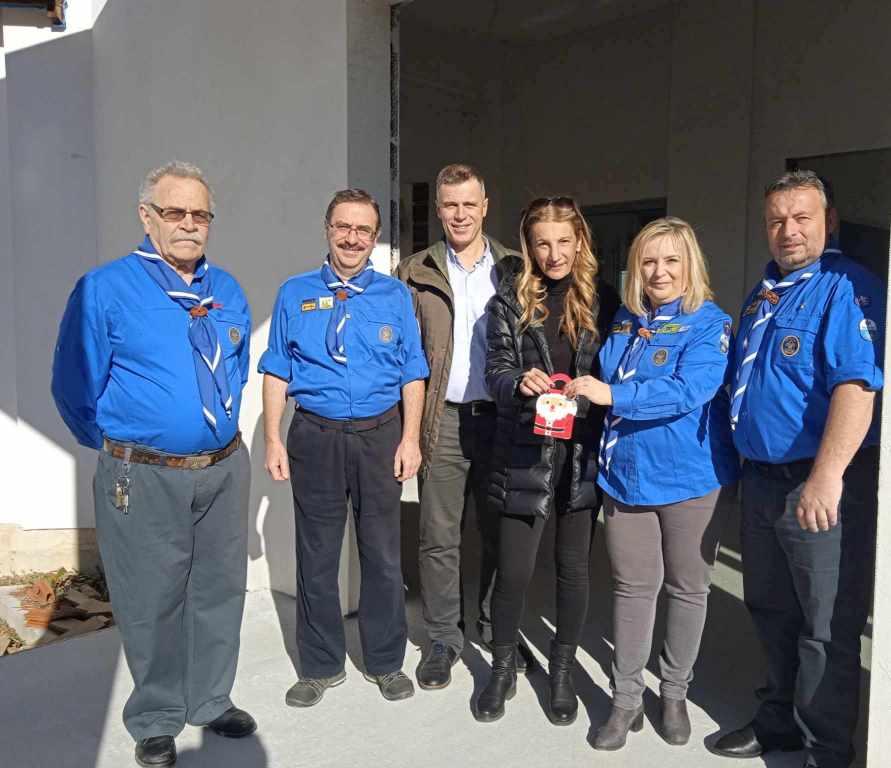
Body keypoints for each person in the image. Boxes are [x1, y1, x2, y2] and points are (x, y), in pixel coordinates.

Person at [52, 162, 256, 768]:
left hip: (223, 467)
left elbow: (234, 371)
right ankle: (157, 716)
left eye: (200, 214)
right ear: (147, 216)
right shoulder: (104, 289)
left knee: (219, 590)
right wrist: (129, 449)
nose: (189, 224)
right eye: (175, 212)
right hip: (143, 473)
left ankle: (211, 699)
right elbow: (73, 387)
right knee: (152, 597)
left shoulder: (227, 290)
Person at [712, 171, 883, 768]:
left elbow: (857, 388)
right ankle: (778, 722)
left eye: (802, 218)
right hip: (762, 482)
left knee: (825, 626)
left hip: (818, 484)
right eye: (776, 221)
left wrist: (826, 478)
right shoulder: (764, 295)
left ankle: (826, 751)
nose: (788, 231)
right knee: (771, 610)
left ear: (828, 221)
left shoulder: (847, 287)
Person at [565, 217, 739, 749]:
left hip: (691, 479)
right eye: (648, 261)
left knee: (687, 588)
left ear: (690, 266)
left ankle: (674, 692)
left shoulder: (710, 324)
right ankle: (625, 700)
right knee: (633, 588)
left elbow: (689, 390)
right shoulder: (625, 320)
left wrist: (613, 396)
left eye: (671, 261)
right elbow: (601, 372)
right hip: (626, 477)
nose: (659, 272)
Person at [260, 188, 429, 707]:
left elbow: (413, 372)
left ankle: (385, 661)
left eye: (363, 230)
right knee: (316, 555)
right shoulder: (294, 294)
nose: (352, 238)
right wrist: (273, 437)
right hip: (315, 436)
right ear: (327, 229)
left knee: (382, 554)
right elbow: (276, 369)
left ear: (374, 238)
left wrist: (410, 438)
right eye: (343, 227)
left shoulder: (395, 297)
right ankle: (320, 665)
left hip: (380, 436)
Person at [475, 196, 620, 724]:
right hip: (524, 451)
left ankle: (561, 673)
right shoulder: (509, 300)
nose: (554, 253)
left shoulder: (604, 300)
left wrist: (599, 390)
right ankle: (501, 669)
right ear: (529, 247)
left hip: (581, 452)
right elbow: (495, 370)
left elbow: (618, 372)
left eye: (563, 242)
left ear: (579, 243)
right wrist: (518, 381)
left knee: (573, 570)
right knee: (514, 570)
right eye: (542, 243)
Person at [398, 163, 531, 689]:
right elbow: (403, 355)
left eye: (468, 204)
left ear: (485, 206)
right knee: (438, 537)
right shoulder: (415, 271)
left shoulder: (516, 268)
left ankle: (498, 630)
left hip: (503, 420)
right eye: (450, 205)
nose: (460, 214)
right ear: (438, 210)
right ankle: (442, 639)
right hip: (445, 419)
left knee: (502, 534)